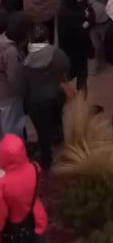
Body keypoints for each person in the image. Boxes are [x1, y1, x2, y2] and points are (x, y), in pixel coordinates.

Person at [22, 24, 70, 169]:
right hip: (54, 98)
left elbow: (24, 83)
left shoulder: (25, 58)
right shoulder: (56, 54)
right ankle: (57, 151)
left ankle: (45, 159)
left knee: (42, 133)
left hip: (35, 103)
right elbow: (67, 66)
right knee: (56, 124)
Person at [0, 134, 48, 241]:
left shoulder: (3, 184)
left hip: (15, 231)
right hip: (36, 221)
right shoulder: (35, 168)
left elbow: (1, 214)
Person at [57, 0, 94, 92]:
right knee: (80, 76)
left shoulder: (64, 9)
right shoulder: (70, 16)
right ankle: (82, 103)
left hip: (67, 50)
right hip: (76, 51)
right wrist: (88, 22)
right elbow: (81, 33)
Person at [0, 12, 29, 139]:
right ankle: (12, 156)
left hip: (3, 93)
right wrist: (24, 92)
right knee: (12, 129)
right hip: (9, 95)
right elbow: (14, 78)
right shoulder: (11, 52)